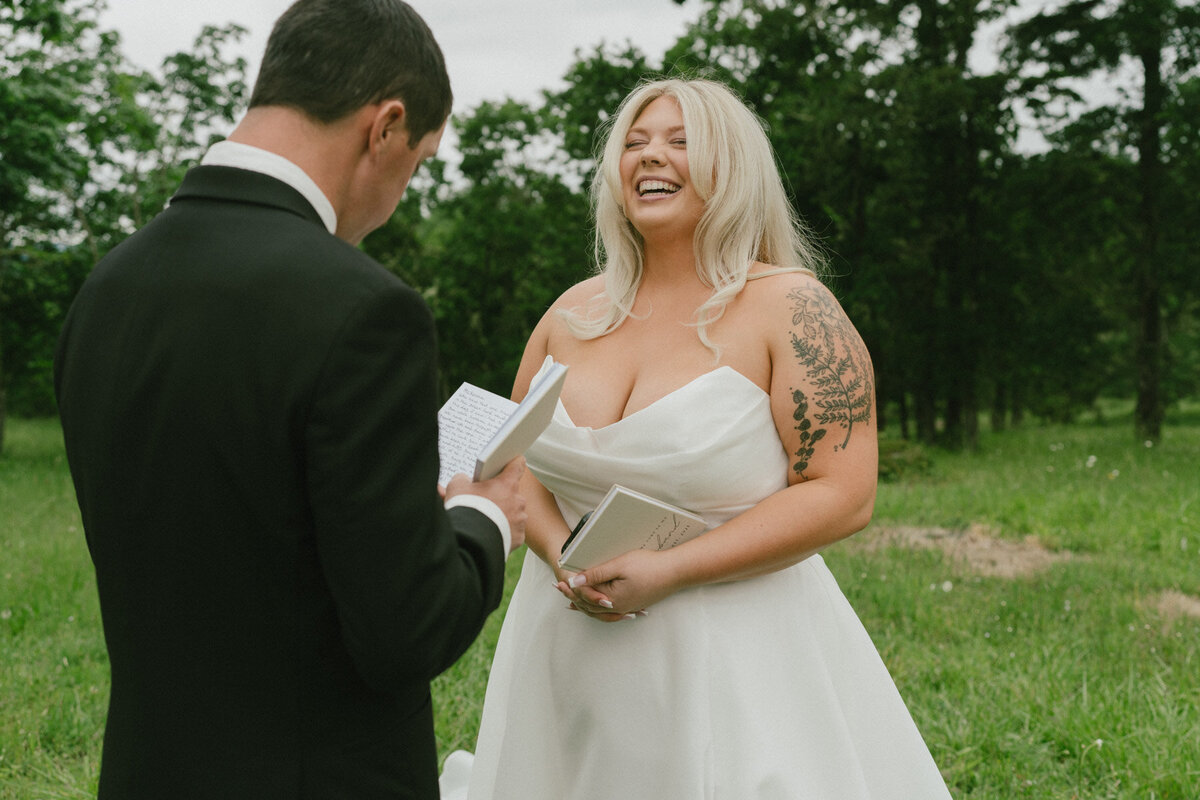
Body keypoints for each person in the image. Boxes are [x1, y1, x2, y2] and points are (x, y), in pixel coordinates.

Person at [53, 2, 526, 798]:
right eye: (419, 163)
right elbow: (406, 633)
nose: (401, 195)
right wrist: (484, 518)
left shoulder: (108, 287)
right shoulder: (364, 310)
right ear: (386, 126)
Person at [442, 78, 952, 799]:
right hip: (562, 640)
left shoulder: (793, 308)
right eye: (636, 143)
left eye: (681, 142)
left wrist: (673, 570)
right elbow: (514, 463)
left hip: (732, 658)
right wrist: (568, 561)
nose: (652, 156)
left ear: (733, 170)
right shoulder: (569, 314)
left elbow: (844, 493)